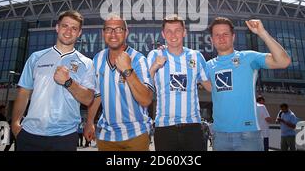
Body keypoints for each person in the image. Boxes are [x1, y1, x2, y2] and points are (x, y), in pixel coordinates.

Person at [12, 10, 95, 151]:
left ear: (79, 33)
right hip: (29, 135)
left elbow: (88, 99)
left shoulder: (86, 63)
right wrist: (15, 124)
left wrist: (68, 82)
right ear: (57, 28)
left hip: (65, 137)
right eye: (65, 26)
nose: (69, 31)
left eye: (74, 28)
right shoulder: (35, 57)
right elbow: (23, 94)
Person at [206, 17, 291, 151]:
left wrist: (262, 33)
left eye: (225, 34)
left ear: (233, 37)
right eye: (217, 35)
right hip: (220, 136)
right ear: (211, 39)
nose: (221, 38)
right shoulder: (208, 66)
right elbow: (210, 87)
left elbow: (283, 61)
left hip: (248, 136)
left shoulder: (248, 57)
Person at [84, 14, 154, 151]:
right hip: (106, 136)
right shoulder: (98, 59)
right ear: (103, 33)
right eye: (109, 29)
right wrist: (89, 121)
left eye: (119, 29)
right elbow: (97, 95)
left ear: (126, 32)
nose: (113, 34)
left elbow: (146, 100)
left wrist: (128, 70)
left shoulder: (138, 59)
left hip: (135, 134)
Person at [147, 14, 212, 151]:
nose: (173, 35)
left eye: (177, 30)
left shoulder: (196, 56)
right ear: (163, 34)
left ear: (184, 32)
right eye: (168, 31)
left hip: (193, 127)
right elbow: (145, 86)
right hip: (164, 127)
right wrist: (154, 67)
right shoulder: (154, 55)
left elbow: (210, 87)